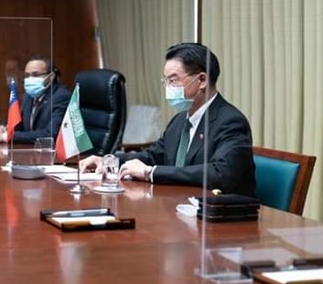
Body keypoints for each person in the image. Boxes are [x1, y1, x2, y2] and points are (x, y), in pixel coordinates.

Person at [79, 42, 256, 196]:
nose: (168, 88)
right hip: (179, 206)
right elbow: (153, 156)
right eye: (166, 81)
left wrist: (150, 173)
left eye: (173, 80)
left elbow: (221, 174)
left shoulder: (231, 122)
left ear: (202, 80)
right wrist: (108, 161)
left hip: (220, 215)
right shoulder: (179, 121)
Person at [0, 55, 70, 144]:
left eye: (35, 75)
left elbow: (50, 134)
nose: (30, 79)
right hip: (29, 150)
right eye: (27, 75)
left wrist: (5, 136)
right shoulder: (28, 95)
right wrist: (4, 128)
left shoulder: (61, 96)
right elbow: (19, 123)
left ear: (50, 77)